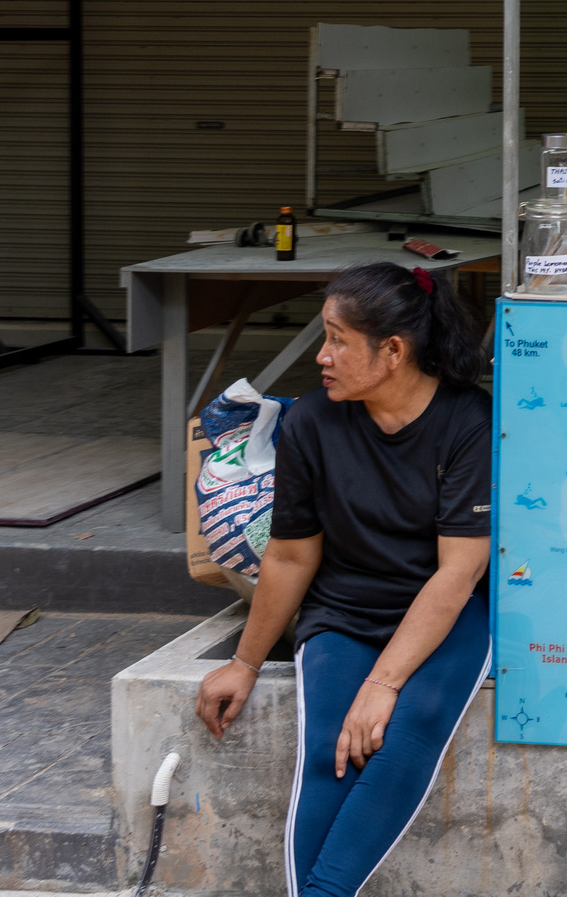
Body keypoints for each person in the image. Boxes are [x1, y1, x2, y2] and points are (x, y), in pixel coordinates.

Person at [194, 262, 491, 897]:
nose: (322, 357)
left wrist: (385, 682)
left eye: (337, 340)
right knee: (331, 747)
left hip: (447, 609)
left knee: (411, 726)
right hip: (345, 609)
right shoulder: (310, 421)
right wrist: (244, 663)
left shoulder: (468, 421)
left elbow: (458, 571)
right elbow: (291, 556)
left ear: (393, 350)